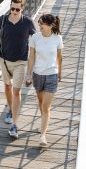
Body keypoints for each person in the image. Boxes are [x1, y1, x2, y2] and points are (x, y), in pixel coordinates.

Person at [0, 0, 35, 139]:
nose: (14, 11)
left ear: (22, 8)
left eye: (17, 9)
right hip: (4, 60)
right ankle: (10, 108)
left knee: (16, 91)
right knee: (7, 87)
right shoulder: (2, 20)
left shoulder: (27, 22)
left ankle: (14, 125)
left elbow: (35, 41)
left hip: (21, 61)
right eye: (12, 8)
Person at [26, 13, 63, 148]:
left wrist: (60, 73)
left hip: (52, 74)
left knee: (46, 107)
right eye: (39, 23)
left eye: (41, 23)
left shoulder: (57, 38)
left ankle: (43, 135)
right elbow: (31, 58)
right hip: (38, 74)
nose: (39, 25)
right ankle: (43, 123)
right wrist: (28, 74)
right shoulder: (35, 38)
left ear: (50, 25)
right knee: (41, 102)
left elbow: (59, 57)